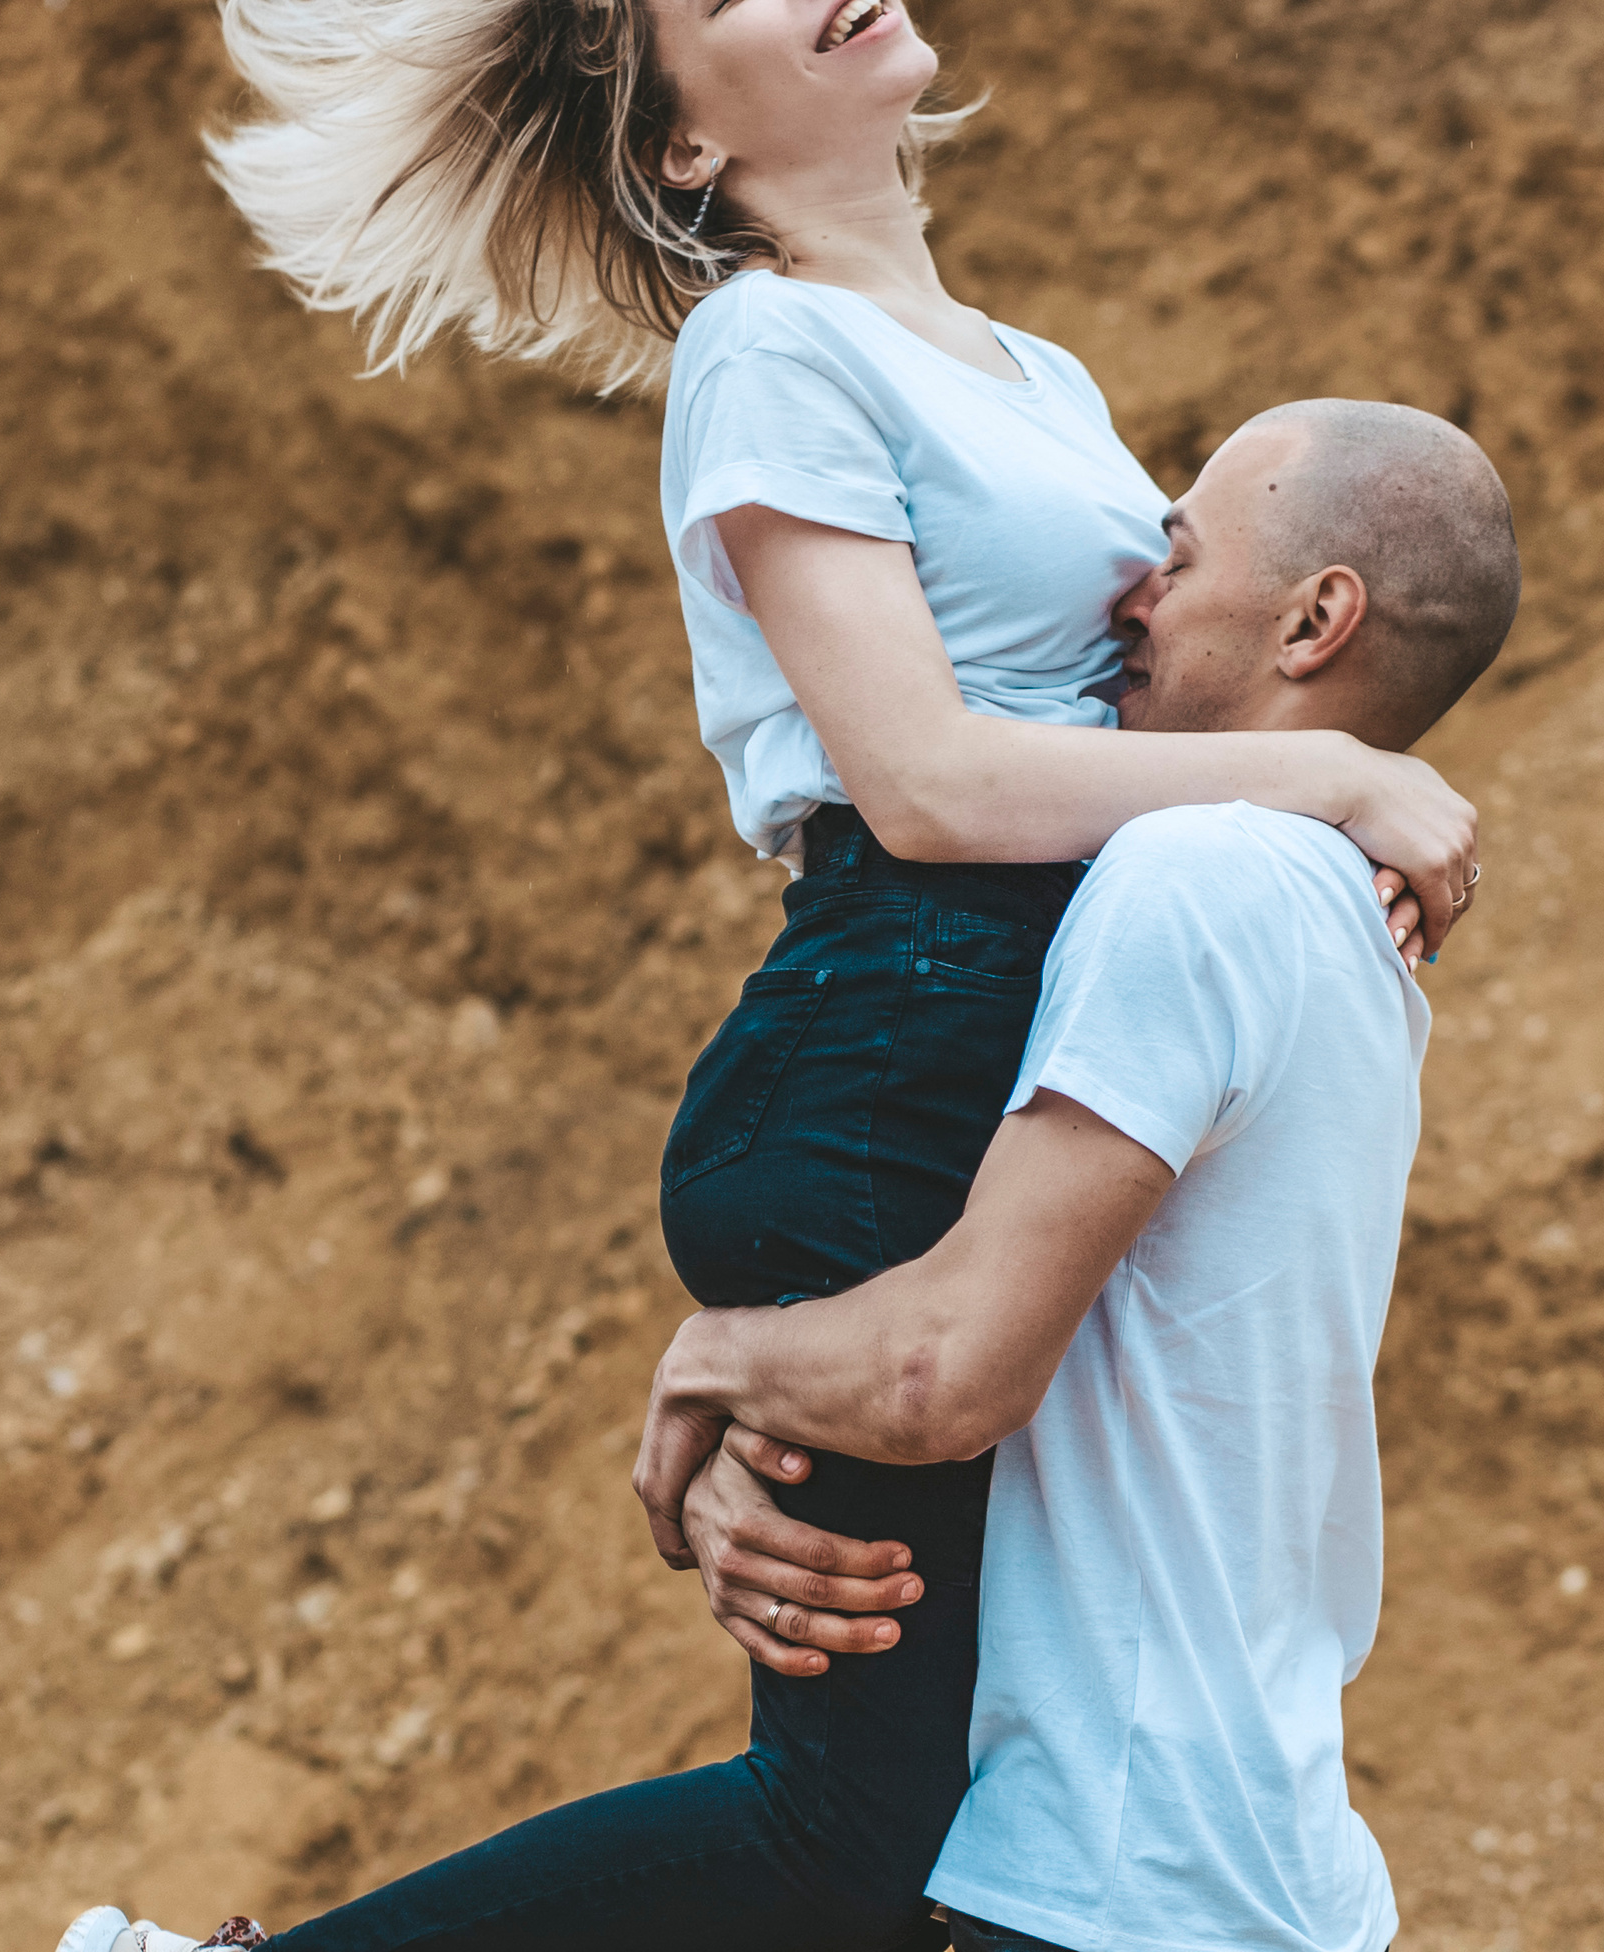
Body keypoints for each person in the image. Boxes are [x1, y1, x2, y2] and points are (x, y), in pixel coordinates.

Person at [54, 0, 1478, 1952]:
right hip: (880, 1049)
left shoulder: (1046, 377)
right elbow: (913, 778)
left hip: (999, 1045)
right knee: (848, 1843)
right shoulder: (766, 347)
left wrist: (753, 1413)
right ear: (683, 150)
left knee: (944, 1805)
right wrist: (1340, 787)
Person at [634, 397, 1520, 1952]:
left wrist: (721, 1359)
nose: (1128, 592)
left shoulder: (1193, 879)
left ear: (1317, 618)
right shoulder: (1322, 901)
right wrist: (771, 1453)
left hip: (1103, 1879)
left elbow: (939, 1373)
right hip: (1238, 1857)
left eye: (1174, 557)